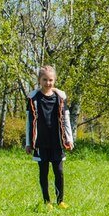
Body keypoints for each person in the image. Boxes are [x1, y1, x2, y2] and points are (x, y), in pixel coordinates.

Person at [26, 65, 74, 208]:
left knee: (59, 171)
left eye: (51, 80)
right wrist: (28, 143)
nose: (48, 83)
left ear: (55, 80)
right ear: (39, 80)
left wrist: (69, 139)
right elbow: (29, 122)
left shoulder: (60, 98)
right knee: (44, 172)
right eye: (45, 79)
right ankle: (47, 201)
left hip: (57, 141)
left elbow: (66, 120)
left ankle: (60, 201)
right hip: (41, 141)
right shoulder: (33, 99)